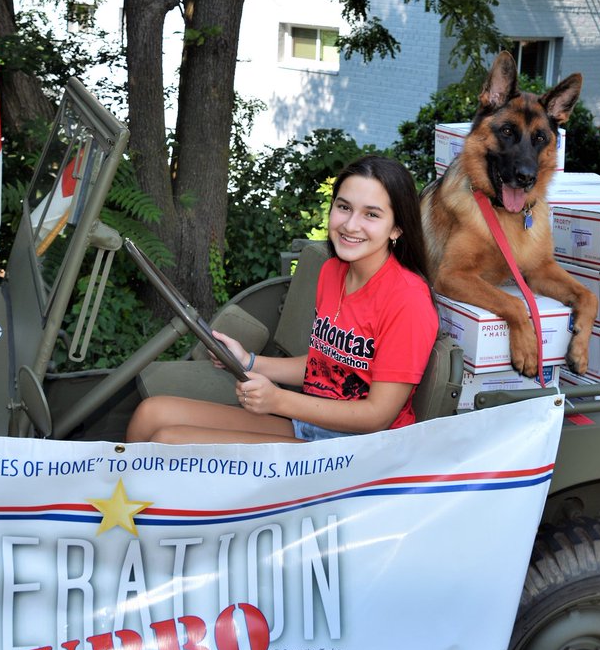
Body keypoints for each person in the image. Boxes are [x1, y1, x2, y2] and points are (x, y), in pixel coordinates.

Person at [126, 155, 439, 444]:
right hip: (309, 424)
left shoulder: (408, 299)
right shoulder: (333, 272)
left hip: (359, 449)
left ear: (397, 228)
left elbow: (377, 416)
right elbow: (325, 366)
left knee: (167, 441)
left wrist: (278, 401)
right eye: (344, 207)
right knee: (150, 414)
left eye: (371, 214)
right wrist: (247, 361)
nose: (350, 224)